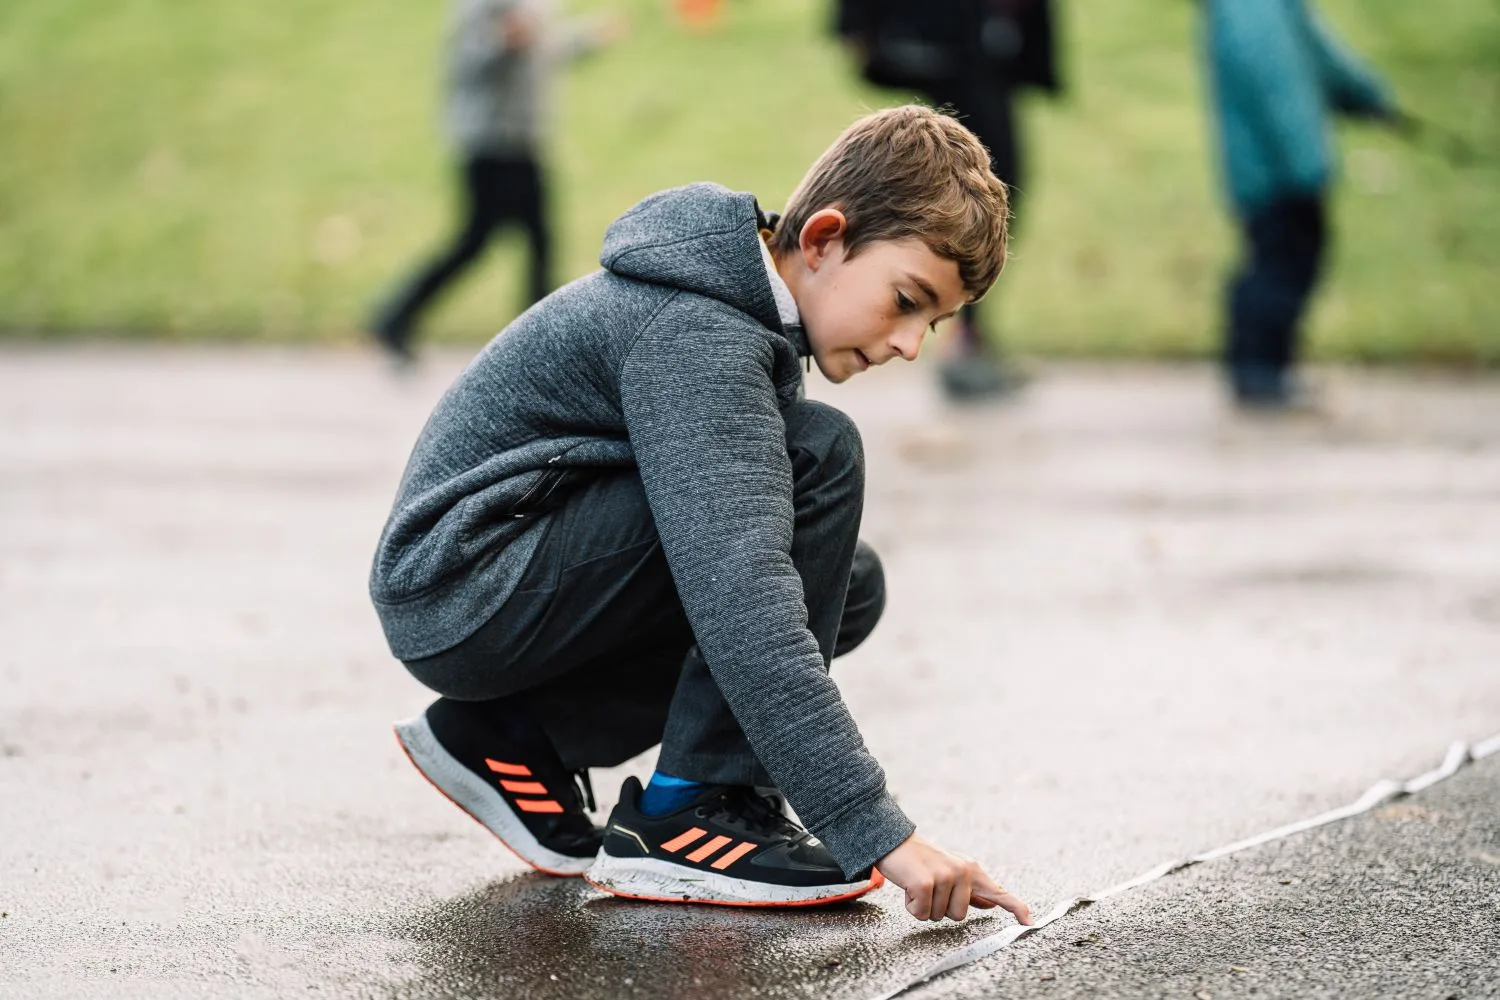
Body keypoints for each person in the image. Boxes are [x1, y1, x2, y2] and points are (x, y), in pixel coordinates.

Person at [370, 106, 1035, 924]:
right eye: (906, 300)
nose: (910, 344)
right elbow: (741, 597)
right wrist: (877, 831)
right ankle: (689, 812)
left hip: (495, 586)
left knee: (845, 583)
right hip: (465, 585)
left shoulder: (732, 312)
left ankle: (517, 735)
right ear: (823, 239)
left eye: (931, 324)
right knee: (815, 460)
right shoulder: (699, 334)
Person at [835, 0, 1061, 401]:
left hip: (987, 45)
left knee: (995, 190)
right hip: (935, 40)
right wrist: (857, 23)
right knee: (956, 189)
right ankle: (953, 337)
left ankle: (965, 332)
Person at [368, 0, 614, 362]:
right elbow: (467, 63)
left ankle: (538, 340)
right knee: (482, 240)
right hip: (488, 143)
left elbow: (545, 48)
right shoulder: (479, 7)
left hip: (523, 142)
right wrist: (503, 42)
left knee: (534, 240)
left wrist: (589, 39)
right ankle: (397, 316)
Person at [1198, 0, 1398, 408]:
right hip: (1273, 166)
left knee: (1289, 260)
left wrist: (1363, 95)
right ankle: (1258, 370)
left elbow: (1318, 54)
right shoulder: (1250, 9)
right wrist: (1303, 164)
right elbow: (1273, 84)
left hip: (1281, 162)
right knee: (1277, 265)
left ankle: (1266, 366)